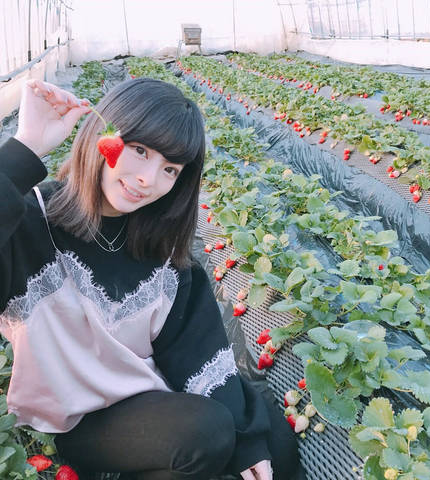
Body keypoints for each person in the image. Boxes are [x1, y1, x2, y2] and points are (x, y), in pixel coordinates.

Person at [0, 77, 305, 480]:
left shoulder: (160, 248)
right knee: (205, 433)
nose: (147, 178)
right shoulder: (29, 223)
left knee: (270, 438)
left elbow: (196, 347)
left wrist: (249, 443)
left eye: (170, 169)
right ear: (102, 136)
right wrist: (25, 147)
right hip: (80, 420)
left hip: (147, 398)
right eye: (140, 150)